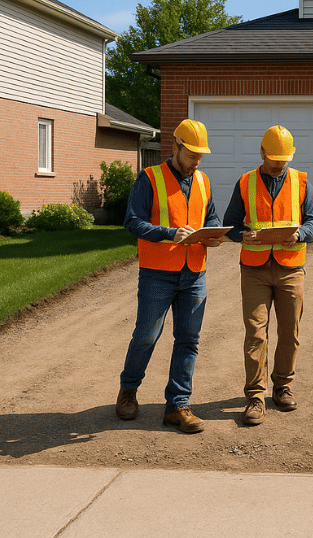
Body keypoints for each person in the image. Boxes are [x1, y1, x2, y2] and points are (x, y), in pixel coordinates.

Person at [116, 119, 224, 434]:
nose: (196, 161)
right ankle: (128, 390)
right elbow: (132, 222)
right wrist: (169, 233)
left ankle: (177, 406)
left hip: (195, 274)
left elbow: (212, 215)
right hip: (157, 273)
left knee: (189, 340)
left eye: (200, 155)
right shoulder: (149, 178)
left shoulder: (204, 181)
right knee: (146, 336)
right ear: (175, 147)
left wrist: (213, 233)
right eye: (192, 154)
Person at [223, 125, 313, 426]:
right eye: (274, 157)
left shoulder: (302, 182)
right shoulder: (245, 182)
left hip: (291, 267)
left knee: (289, 332)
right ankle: (255, 396)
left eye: (285, 158)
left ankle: (282, 387)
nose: (280, 164)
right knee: (255, 333)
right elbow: (230, 224)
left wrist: (301, 233)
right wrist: (244, 236)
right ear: (262, 152)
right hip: (254, 269)